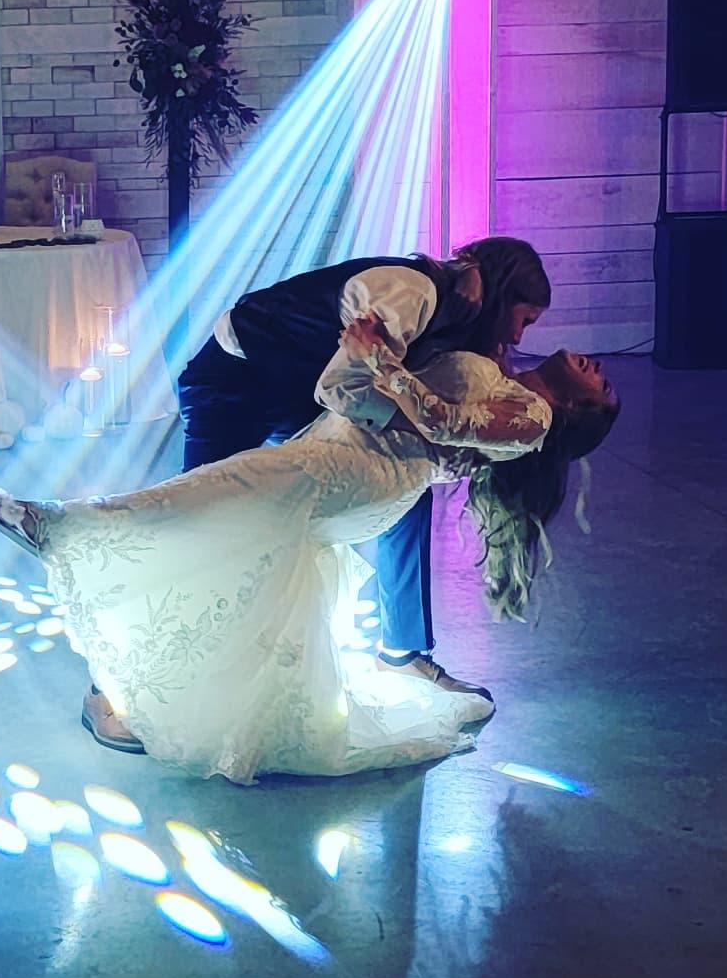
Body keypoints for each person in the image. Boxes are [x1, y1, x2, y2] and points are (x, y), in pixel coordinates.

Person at [0, 326, 619, 784]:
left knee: (216, 489)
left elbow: (443, 422)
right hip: (341, 447)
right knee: (226, 539)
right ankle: (156, 684)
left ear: (575, 409)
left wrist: (382, 360)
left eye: (602, 386)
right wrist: (368, 358)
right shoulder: (503, 370)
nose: (597, 368)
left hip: (368, 473)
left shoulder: (534, 421)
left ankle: (59, 525)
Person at [176, 237, 552, 698]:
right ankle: (132, 681)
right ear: (504, 293)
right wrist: (426, 427)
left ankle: (402, 652)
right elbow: (341, 388)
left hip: (300, 391)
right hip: (234, 379)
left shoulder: (455, 313)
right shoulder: (412, 293)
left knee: (407, 489)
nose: (518, 338)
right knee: (199, 523)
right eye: (524, 320)